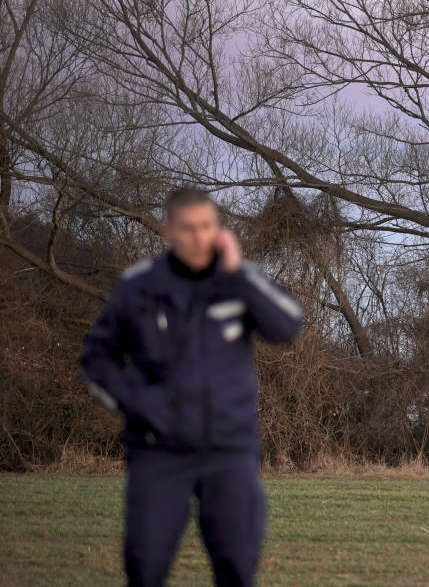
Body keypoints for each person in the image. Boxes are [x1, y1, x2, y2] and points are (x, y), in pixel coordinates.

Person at [78, 187, 303, 587]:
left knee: (236, 569)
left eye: (206, 227)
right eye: (187, 228)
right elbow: (96, 360)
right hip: (158, 452)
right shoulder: (138, 286)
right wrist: (138, 404)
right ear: (167, 231)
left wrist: (238, 276)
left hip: (230, 451)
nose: (198, 237)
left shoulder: (241, 280)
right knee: (144, 568)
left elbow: (288, 326)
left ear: (219, 230)